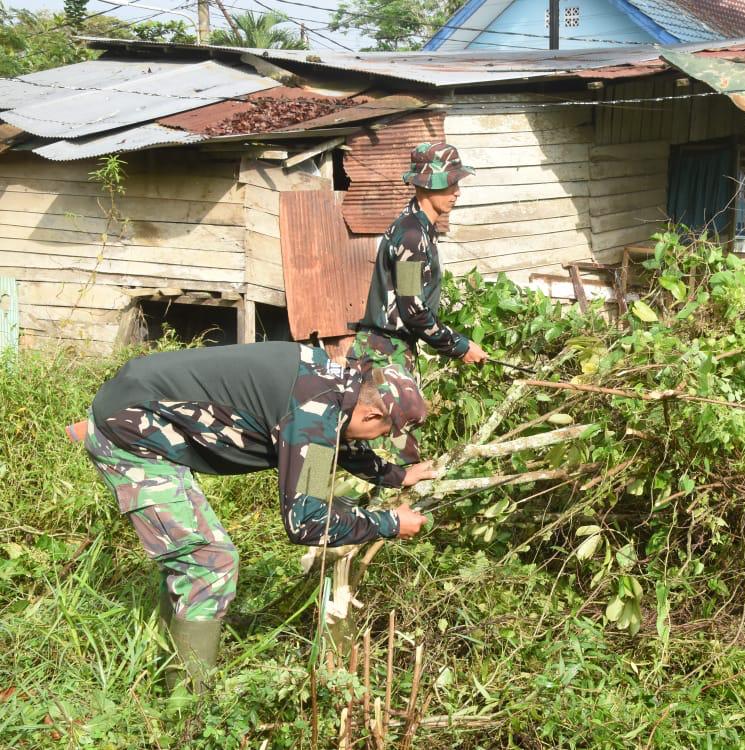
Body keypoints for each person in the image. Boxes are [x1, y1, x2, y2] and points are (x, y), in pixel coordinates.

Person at [82, 341, 434, 691]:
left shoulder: (336, 383)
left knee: (196, 557)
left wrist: (398, 475)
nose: (380, 439)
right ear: (372, 414)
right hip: (130, 433)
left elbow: (337, 438)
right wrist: (389, 524)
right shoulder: (314, 413)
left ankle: (165, 657)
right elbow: (306, 520)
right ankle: (185, 707)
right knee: (209, 562)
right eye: (385, 433)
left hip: (141, 404)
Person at [349, 141, 488, 377]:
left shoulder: (419, 228)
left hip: (391, 351)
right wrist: (460, 346)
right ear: (426, 184)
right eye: (450, 183)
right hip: (384, 358)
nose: (457, 192)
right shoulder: (412, 236)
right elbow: (413, 309)